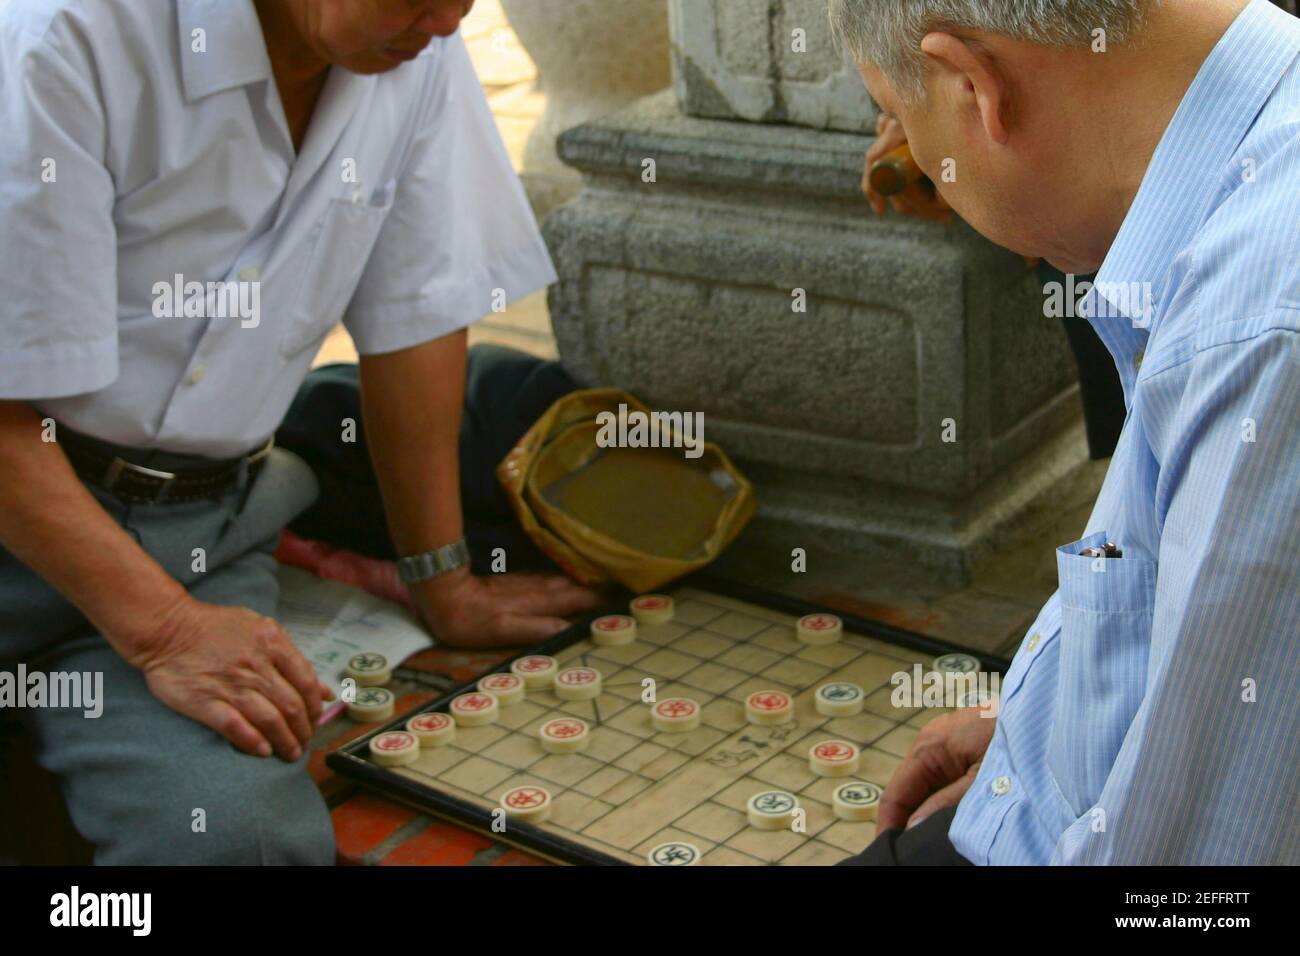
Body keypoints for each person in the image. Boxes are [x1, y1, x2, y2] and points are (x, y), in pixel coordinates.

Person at [0, 0, 599, 864]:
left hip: (200, 541)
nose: (447, 18)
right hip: (30, 511)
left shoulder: (414, 45)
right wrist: (166, 633)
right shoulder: (66, 36)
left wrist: (445, 578)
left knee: (236, 839)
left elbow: (417, 313)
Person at [831, 0, 1300, 864]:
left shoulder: (1261, 333)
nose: (909, 158)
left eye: (898, 114)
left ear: (974, 86)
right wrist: (1047, 731)